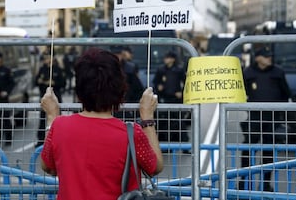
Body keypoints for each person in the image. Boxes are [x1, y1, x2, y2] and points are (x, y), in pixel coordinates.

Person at [40, 47, 163, 200]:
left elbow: (48, 166)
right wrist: (147, 118)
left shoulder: (59, 126)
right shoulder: (131, 133)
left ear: (79, 89)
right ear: (119, 89)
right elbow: (155, 167)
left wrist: (52, 116)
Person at [239, 45, 291, 192]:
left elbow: (286, 93)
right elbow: (241, 91)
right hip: (255, 117)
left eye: (270, 56)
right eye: (266, 56)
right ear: (258, 58)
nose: (269, 59)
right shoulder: (248, 72)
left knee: (268, 152)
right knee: (248, 150)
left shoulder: (278, 72)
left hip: (272, 118)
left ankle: (265, 183)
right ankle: (243, 180)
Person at [152, 51, 190, 151]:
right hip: (164, 99)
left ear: (173, 59)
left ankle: (184, 146)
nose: (166, 60)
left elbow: (186, 82)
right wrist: (158, 88)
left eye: (168, 58)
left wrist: (181, 93)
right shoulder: (161, 70)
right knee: (163, 122)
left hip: (176, 99)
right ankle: (164, 146)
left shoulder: (179, 70)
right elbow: (155, 82)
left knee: (179, 122)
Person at [34, 53, 65, 147]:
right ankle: (40, 140)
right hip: (44, 97)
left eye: (49, 57)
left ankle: (58, 139)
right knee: (43, 118)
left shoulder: (58, 69)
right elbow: (36, 81)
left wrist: (54, 83)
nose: (47, 59)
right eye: (45, 58)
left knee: (57, 119)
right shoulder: (42, 69)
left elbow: (63, 83)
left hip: (55, 97)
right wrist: (39, 81)